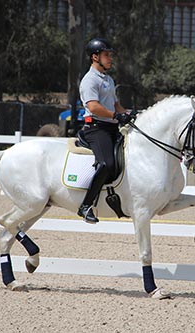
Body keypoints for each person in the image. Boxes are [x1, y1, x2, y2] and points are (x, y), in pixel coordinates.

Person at [77, 37, 132, 224]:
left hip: (111, 126)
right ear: (95, 57)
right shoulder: (89, 80)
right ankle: (85, 206)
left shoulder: (108, 79)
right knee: (106, 164)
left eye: (110, 55)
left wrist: (128, 114)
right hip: (96, 128)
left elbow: (115, 104)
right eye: (106, 55)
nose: (110, 58)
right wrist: (115, 116)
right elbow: (93, 106)